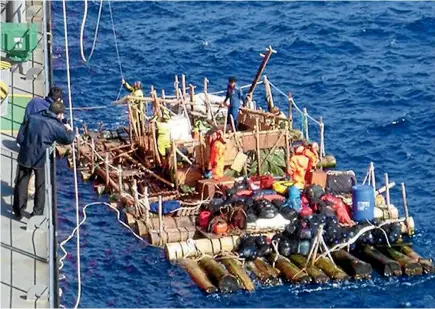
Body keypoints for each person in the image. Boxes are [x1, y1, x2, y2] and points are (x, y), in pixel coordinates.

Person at [13, 101, 74, 219]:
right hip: (40, 158)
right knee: (40, 185)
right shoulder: (56, 126)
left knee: (21, 183)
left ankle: (18, 210)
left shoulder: (33, 117)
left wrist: (22, 145)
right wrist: (69, 129)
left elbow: (21, 135)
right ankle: (37, 213)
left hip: (25, 154)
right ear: (59, 114)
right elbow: (68, 139)